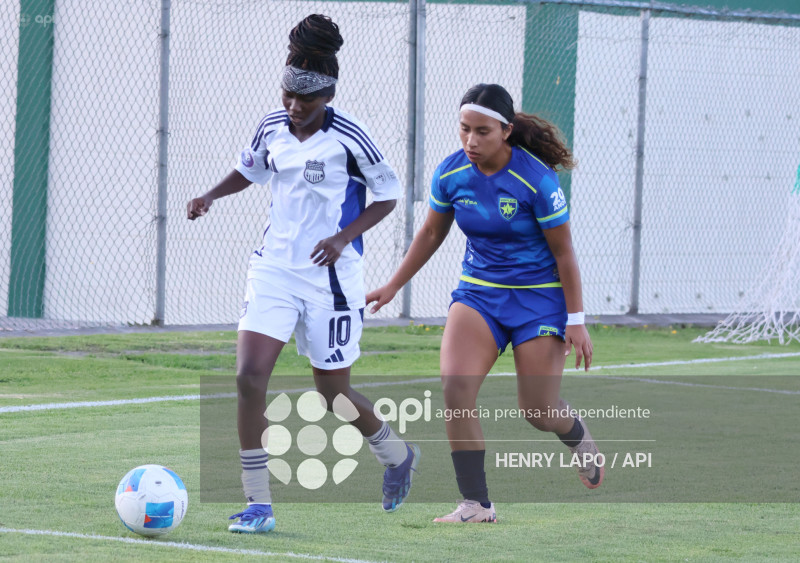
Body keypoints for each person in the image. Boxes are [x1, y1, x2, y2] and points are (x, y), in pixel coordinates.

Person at [187, 14, 419, 534]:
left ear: (328, 96)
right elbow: (250, 169)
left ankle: (397, 454)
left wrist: (342, 238)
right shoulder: (272, 125)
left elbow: (387, 195)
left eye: (306, 100)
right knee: (249, 379)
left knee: (333, 394)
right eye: (289, 95)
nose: (294, 107)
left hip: (332, 281)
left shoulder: (350, 138)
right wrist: (209, 196)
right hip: (273, 269)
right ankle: (258, 504)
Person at [367, 83, 602, 524]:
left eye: (482, 132)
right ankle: (476, 504)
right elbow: (433, 233)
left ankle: (577, 436)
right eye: (464, 130)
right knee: (455, 387)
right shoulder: (451, 173)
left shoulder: (537, 180)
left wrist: (576, 320)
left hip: (539, 301)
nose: (471, 141)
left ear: (507, 131)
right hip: (479, 293)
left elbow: (564, 253)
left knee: (537, 411)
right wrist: (393, 285)